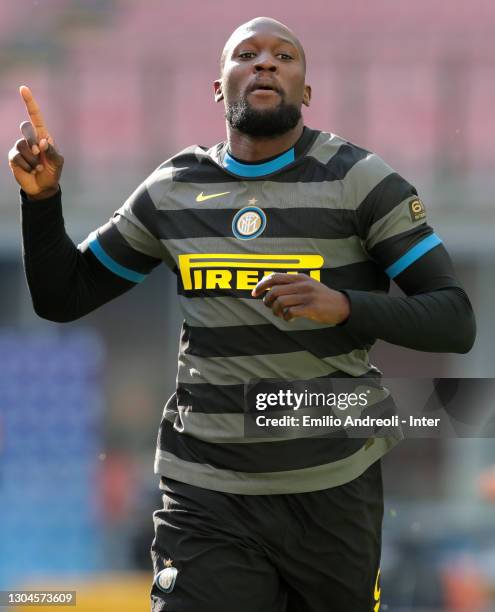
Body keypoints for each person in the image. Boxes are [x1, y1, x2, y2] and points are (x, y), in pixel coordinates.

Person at [8, 16, 475, 612]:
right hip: (206, 491)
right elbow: (62, 297)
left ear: (305, 91)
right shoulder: (173, 188)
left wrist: (343, 306)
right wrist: (42, 201)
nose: (265, 63)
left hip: (330, 489)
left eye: (284, 56)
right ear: (218, 87)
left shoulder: (361, 182)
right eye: (247, 54)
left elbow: (455, 320)